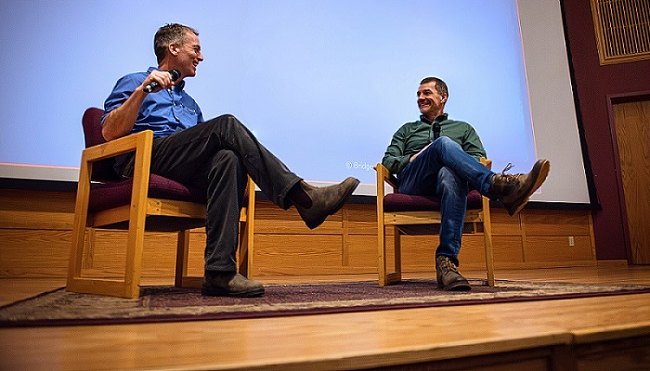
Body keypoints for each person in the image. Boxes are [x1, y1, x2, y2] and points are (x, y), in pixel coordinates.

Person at [102, 23, 359, 298]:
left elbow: (201, 149)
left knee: (228, 159)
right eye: (196, 49)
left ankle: (219, 273)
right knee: (226, 124)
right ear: (173, 48)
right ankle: (304, 197)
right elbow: (108, 132)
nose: (201, 57)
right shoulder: (134, 81)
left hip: (178, 165)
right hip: (143, 160)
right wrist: (142, 91)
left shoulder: (190, 103)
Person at [382, 77, 550, 291]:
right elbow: (388, 161)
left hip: (446, 184)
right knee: (443, 144)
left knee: (450, 175)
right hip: (414, 182)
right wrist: (414, 158)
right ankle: (497, 186)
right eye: (418, 94)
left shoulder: (463, 128)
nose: (421, 98)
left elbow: (478, 158)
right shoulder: (406, 130)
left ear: (443, 97)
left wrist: (452, 159)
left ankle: (446, 264)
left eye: (426, 93)